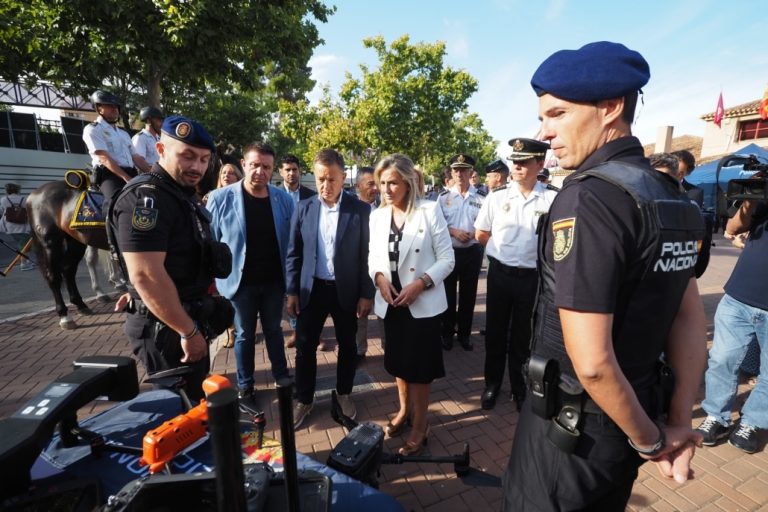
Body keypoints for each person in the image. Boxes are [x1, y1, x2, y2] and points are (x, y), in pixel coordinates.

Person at [503, 42, 707, 510]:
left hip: (573, 433)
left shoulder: (590, 200)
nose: (544, 132)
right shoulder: (671, 197)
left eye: (556, 114)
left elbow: (592, 361)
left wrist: (653, 444)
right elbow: (688, 319)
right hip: (628, 420)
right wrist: (675, 424)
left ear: (611, 107)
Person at [109, 115, 233, 402]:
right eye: (187, 156)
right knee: (179, 411)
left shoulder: (179, 194)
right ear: (161, 151)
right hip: (169, 327)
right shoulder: (146, 198)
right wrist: (188, 332)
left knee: (193, 401)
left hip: (181, 317)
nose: (197, 167)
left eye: (203, 159)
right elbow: (147, 275)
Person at [368, 154, 454, 454]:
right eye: (382, 183)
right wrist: (379, 278)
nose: (386, 189)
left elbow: (448, 259)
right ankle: (404, 412)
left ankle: (421, 425)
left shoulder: (429, 211)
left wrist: (421, 284)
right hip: (391, 303)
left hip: (422, 304)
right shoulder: (377, 216)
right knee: (399, 365)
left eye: (393, 183)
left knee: (420, 369)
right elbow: (373, 257)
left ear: (407, 183)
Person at [286, 149, 375, 428]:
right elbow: (294, 253)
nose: (325, 186)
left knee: (348, 346)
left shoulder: (359, 210)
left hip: (345, 291)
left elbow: (367, 255)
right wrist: (291, 290)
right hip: (311, 291)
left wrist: (366, 293)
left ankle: (345, 393)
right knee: (304, 347)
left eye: (331, 179)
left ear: (343, 177)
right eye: (320, 179)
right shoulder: (303, 208)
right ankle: (304, 398)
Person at [474, 138, 557, 412]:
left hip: (532, 278)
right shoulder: (496, 198)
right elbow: (481, 233)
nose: (518, 167)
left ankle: (519, 388)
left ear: (540, 164)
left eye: (524, 162)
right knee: (495, 334)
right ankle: (492, 385)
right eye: (515, 162)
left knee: (523, 337)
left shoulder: (552, 198)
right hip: (500, 276)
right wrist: (503, 255)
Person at [206, 142, 293, 401]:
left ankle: (282, 376)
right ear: (244, 165)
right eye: (255, 165)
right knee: (244, 334)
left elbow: (292, 242)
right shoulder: (221, 198)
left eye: (266, 167)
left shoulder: (284, 200)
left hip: (274, 282)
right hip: (239, 283)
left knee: (274, 331)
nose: (260, 172)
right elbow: (210, 242)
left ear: (273, 169)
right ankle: (246, 385)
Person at [695, 190, 768, 454]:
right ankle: (717, 417)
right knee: (722, 360)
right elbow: (732, 227)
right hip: (739, 297)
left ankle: (753, 422)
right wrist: (750, 202)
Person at [437, 154, 486, 351]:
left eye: (463, 169)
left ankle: (464, 334)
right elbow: (438, 226)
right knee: (447, 295)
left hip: (472, 252)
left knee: (468, 296)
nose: (459, 173)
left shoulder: (482, 198)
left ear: (471, 172)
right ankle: (447, 334)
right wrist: (454, 231)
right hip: (450, 252)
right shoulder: (443, 198)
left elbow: (487, 225)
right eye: (455, 170)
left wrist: (474, 234)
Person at [83, 91, 151, 214]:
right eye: (109, 106)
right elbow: (104, 158)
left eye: (116, 106)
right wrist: (126, 178)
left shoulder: (123, 133)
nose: (114, 109)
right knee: (117, 204)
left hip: (131, 173)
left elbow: (137, 158)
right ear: (99, 108)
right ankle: (110, 232)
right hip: (109, 175)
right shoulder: (93, 129)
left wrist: (155, 174)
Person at [278, 154, 317, 349]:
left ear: (300, 171)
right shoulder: (274, 195)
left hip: (307, 252)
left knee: (308, 292)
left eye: (294, 169)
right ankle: (295, 331)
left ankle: (313, 332)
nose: (291, 173)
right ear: (281, 172)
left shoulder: (311, 195)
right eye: (287, 169)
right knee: (290, 293)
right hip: (283, 250)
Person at [354, 166, 380, 361]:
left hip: (382, 271)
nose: (376, 188)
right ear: (358, 186)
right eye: (371, 184)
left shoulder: (386, 209)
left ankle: (391, 349)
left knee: (385, 312)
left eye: (377, 183)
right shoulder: (349, 210)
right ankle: (358, 350)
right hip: (359, 270)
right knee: (359, 314)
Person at [1, 183, 34, 270]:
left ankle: (27, 261)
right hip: (22, 226)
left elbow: (2, 211)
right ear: (17, 190)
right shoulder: (23, 199)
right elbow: (29, 210)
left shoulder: (4, 199)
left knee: (23, 244)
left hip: (9, 227)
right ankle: (23, 264)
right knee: (24, 246)